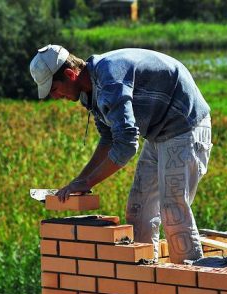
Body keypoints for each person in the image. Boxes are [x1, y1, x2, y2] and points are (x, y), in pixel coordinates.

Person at [30, 44, 212, 264]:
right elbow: (109, 139)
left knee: (173, 209)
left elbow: (126, 145)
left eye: (54, 89)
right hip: (158, 132)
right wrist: (79, 181)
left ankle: (190, 283)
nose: (55, 96)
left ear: (70, 74)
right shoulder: (91, 93)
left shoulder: (110, 79)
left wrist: (87, 182)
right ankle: (146, 278)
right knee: (138, 210)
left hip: (184, 124)